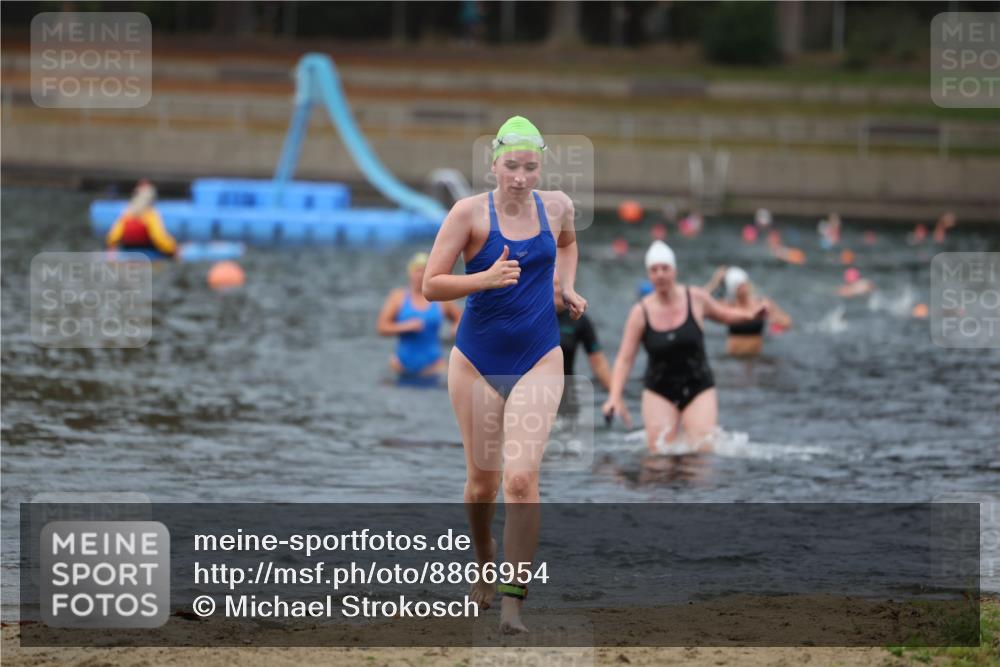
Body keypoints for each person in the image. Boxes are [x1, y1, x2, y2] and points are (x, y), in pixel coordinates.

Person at [422, 116, 586, 634]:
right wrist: (485, 279)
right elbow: (431, 286)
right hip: (475, 362)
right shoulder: (468, 214)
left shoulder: (557, 206)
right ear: (493, 163)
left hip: (540, 355)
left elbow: (566, 244)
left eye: (530, 166)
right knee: (481, 486)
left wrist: (563, 288)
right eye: (511, 165)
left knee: (520, 480)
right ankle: (483, 556)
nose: (520, 176)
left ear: (541, 166)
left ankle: (513, 604)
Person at [601, 241, 765, 454]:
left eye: (665, 268)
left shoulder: (695, 298)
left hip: (698, 386)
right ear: (649, 274)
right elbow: (625, 358)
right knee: (659, 457)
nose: (660, 274)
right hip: (658, 389)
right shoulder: (640, 312)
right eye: (654, 270)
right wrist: (615, 396)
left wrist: (750, 315)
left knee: (701, 452)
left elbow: (724, 315)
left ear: (674, 270)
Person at [376, 252, 461, 378]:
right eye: (417, 271)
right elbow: (381, 327)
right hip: (400, 366)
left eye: (424, 271)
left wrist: (456, 328)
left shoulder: (441, 298)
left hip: (434, 367)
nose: (420, 275)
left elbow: (461, 318)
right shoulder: (397, 297)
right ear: (410, 273)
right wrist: (405, 326)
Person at [704, 266, 792, 357]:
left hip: (755, 358)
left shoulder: (762, 304)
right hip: (733, 359)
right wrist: (715, 282)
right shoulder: (728, 305)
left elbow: (787, 323)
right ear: (732, 289)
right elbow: (700, 302)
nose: (743, 289)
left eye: (744, 284)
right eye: (739, 286)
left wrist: (774, 318)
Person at [553, 274, 611, 411]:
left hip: (566, 398)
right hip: (535, 395)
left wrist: (614, 396)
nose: (557, 290)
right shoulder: (533, 316)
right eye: (554, 285)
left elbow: (598, 362)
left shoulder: (579, 319)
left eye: (560, 285)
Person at [105, 180, 177, 257]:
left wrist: (112, 248)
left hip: (127, 253)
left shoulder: (127, 214)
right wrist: (173, 249)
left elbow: (113, 237)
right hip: (148, 254)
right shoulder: (150, 215)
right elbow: (159, 238)